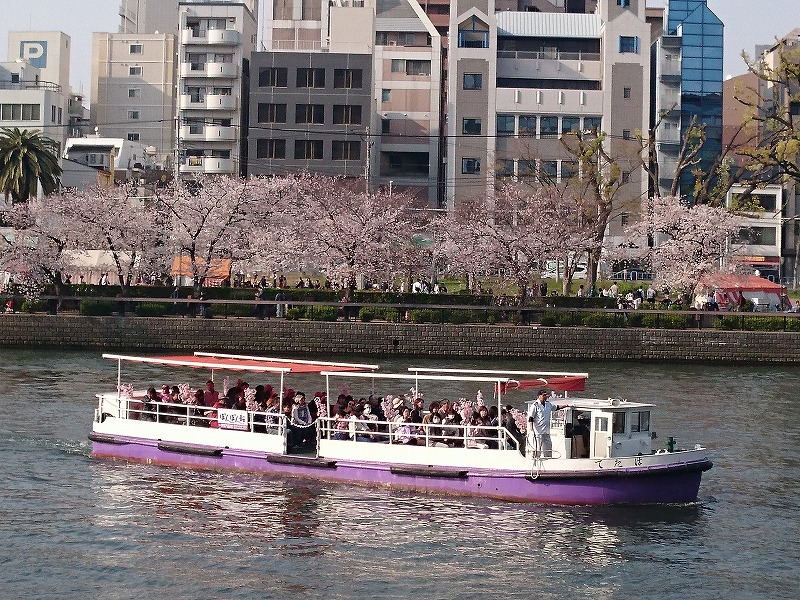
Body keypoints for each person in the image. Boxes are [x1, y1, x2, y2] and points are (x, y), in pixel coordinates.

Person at [527, 389, 569, 458]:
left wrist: (566, 405)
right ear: (539, 396)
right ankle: (535, 460)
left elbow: (556, 407)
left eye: (546, 395)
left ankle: (548, 460)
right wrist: (531, 429)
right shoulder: (535, 405)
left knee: (548, 449)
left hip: (546, 431)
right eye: (543, 395)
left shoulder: (548, 404)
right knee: (537, 449)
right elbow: (531, 418)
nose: (545, 397)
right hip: (538, 432)